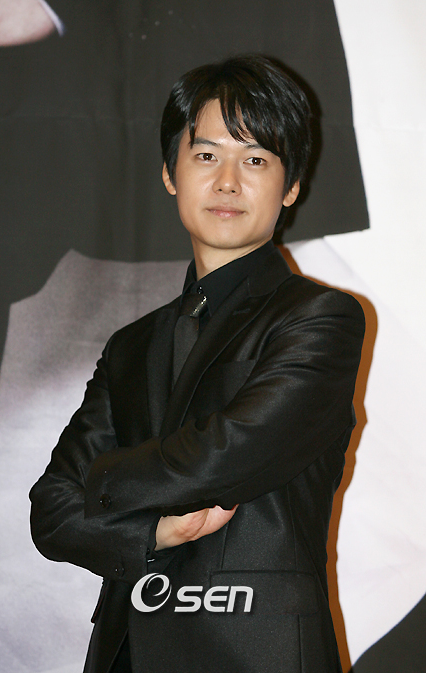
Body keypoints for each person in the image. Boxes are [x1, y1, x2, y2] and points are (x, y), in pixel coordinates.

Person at [30, 54, 365, 673]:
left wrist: (99, 481)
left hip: (254, 652)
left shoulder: (320, 319)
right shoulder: (131, 345)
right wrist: (153, 533)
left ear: (292, 186)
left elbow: (225, 454)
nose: (228, 181)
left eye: (256, 160)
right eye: (207, 155)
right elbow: (51, 511)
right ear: (170, 173)